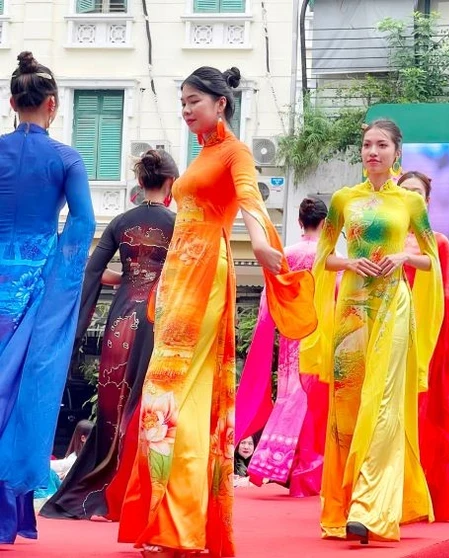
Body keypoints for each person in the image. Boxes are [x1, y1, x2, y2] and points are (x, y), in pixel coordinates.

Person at [117, 66, 316, 558]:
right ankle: (175, 524)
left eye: (194, 102)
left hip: (207, 274)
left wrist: (267, 248)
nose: (186, 110)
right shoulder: (202, 155)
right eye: (182, 102)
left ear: (221, 103)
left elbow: (251, 200)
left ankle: (180, 527)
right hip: (180, 278)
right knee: (171, 397)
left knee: (173, 396)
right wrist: (161, 290)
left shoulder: (235, 151)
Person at [299, 119, 443, 543]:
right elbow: (323, 257)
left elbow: (430, 260)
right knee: (346, 406)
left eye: (381, 145)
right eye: (366, 145)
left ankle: (371, 508)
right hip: (353, 311)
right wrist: (348, 262)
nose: (373, 152)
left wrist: (401, 257)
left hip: (392, 308)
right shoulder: (344, 200)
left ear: (397, 152)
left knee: (382, 402)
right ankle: (342, 507)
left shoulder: (411, 204)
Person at [41, 149, 178, 521]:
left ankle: (101, 486)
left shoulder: (120, 222)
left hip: (119, 323)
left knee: (111, 408)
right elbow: (182, 277)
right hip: (155, 320)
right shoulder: (176, 223)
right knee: (149, 409)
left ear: (139, 182)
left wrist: (124, 279)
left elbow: (91, 270)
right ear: (170, 183)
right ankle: (137, 493)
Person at [0, 51, 96, 544]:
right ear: (52, 105)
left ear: (13, 102)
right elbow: (82, 224)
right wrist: (60, 280)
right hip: (35, 288)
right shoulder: (66, 158)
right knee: (20, 395)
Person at [242, 196, 330, 497]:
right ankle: (308, 469)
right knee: (313, 402)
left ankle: (277, 464)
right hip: (321, 333)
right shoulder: (331, 257)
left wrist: (267, 328)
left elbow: (271, 297)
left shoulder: (286, 255)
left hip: (292, 334)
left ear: (299, 222)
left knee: (290, 394)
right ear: (326, 222)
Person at [398, 170, 449, 522]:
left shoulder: (437, 242)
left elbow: (444, 296)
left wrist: (442, 345)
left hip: (428, 338)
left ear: (426, 201)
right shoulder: (386, 238)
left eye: (417, 193)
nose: (411, 197)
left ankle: (427, 497)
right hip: (390, 335)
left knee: (428, 413)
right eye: (405, 191)